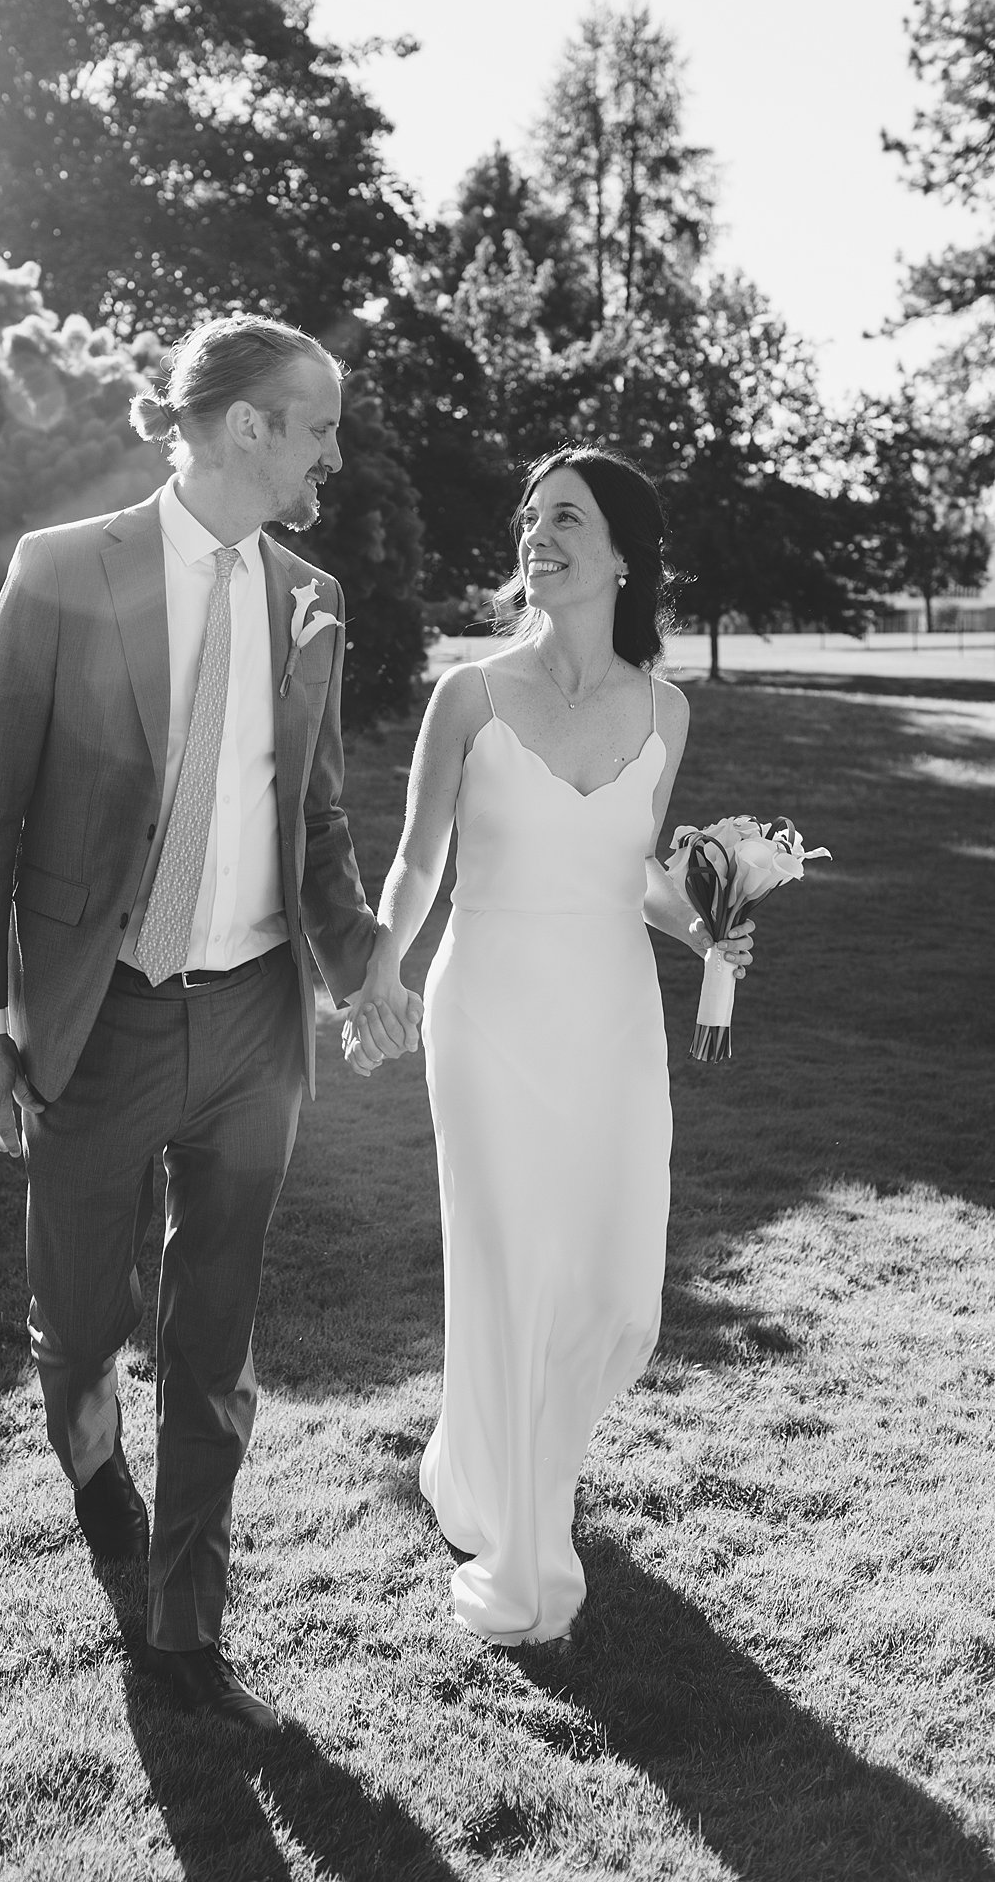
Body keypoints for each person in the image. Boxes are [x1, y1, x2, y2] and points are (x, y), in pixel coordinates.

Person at [0, 315, 420, 1729]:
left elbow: (317, 823)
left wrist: (360, 970)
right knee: (81, 1331)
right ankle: (101, 1494)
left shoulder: (311, 599)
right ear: (248, 426)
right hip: (104, 1023)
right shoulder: (62, 573)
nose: (333, 449)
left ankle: (186, 1629)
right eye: (317, 423)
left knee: (214, 1340)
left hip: (256, 1025)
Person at [345, 445, 754, 1646]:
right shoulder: (469, 695)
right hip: (489, 1013)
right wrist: (385, 958)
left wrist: (714, 926)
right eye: (531, 517)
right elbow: (422, 858)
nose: (540, 533)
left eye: (567, 517)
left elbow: (628, 868)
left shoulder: (664, 709)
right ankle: (527, 1560)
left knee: (620, 1289)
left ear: (623, 554)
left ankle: (484, 1465)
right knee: (515, 1268)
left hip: (613, 1018)